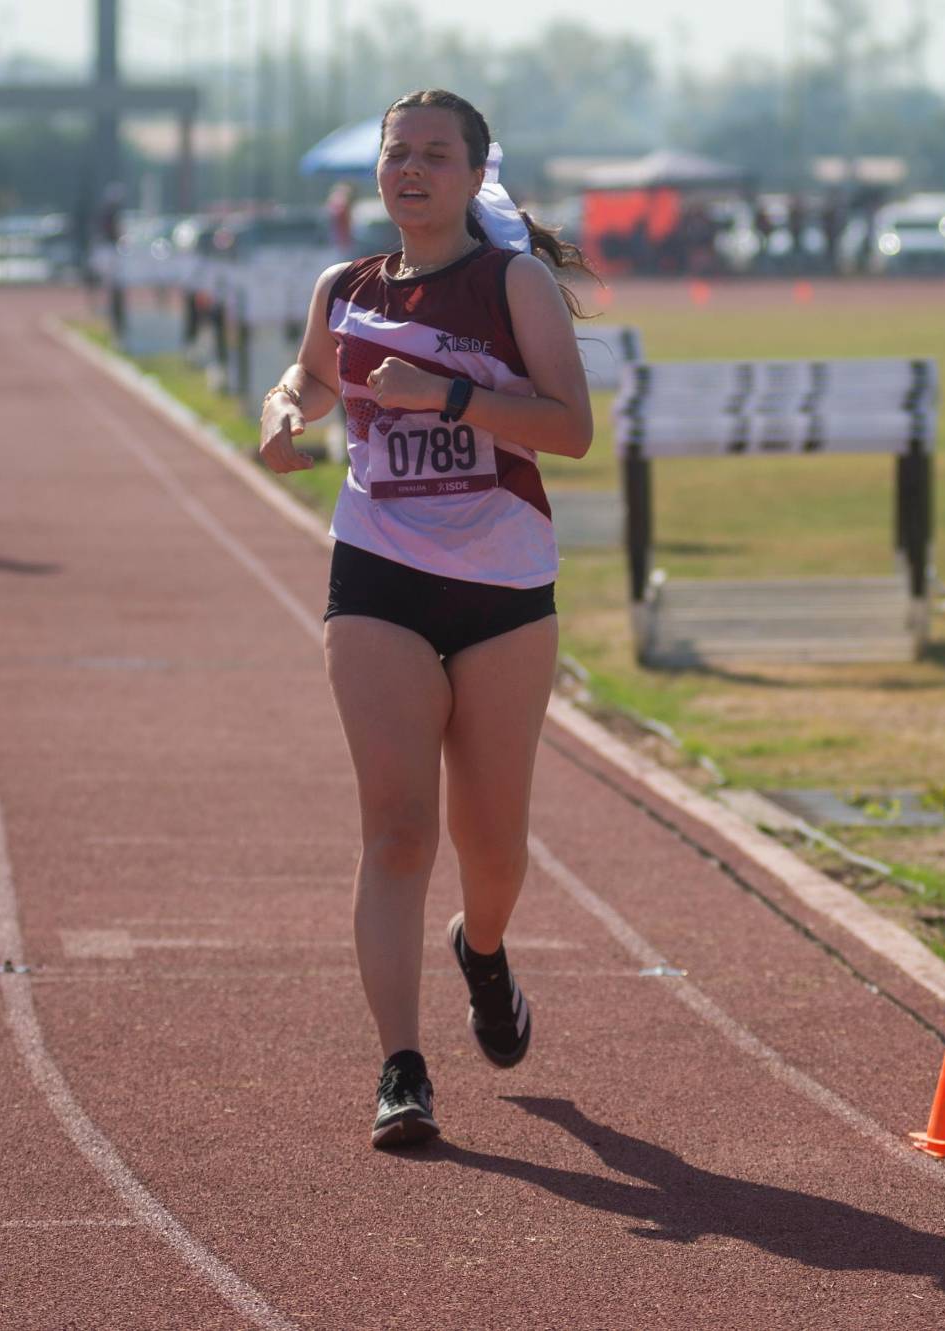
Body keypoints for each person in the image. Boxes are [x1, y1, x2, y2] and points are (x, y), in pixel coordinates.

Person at [256, 88, 595, 1150]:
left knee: (492, 847)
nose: (411, 170)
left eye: (434, 155)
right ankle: (401, 1068)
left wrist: (444, 397)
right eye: (397, 153)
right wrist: (283, 408)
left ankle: (481, 949)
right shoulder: (343, 287)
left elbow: (571, 428)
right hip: (379, 572)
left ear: (474, 173)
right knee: (398, 827)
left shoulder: (512, 283)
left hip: (501, 587)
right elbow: (313, 377)